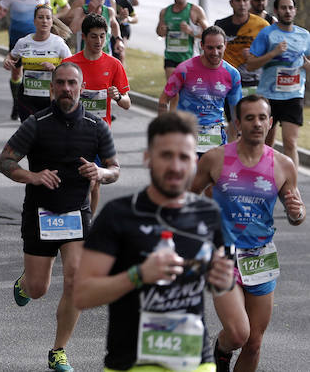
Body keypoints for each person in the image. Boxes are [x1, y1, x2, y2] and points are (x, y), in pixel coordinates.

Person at [74, 111, 236, 372]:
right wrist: (139, 275)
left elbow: (222, 289)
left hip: (196, 362)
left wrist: (222, 281)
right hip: (131, 364)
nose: (175, 166)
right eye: (166, 155)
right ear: (147, 158)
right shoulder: (119, 215)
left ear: (195, 162)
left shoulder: (209, 214)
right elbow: (82, 295)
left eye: (184, 157)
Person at [0, 62, 119, 372]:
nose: (66, 89)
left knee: (76, 280)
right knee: (39, 289)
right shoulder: (36, 124)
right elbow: (5, 161)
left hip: (76, 214)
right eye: (60, 83)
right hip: (40, 213)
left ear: (81, 88)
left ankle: (58, 350)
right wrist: (33, 176)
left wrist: (101, 172)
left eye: (72, 84)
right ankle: (25, 284)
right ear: (52, 88)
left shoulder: (96, 126)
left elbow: (114, 169)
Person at [191, 95, 305, 372]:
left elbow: (296, 216)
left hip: (261, 257)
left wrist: (296, 211)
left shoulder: (283, 165)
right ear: (238, 123)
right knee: (238, 334)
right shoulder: (215, 158)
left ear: (271, 123)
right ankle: (220, 349)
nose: (257, 123)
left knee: (254, 343)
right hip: (223, 255)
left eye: (262, 118)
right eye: (250, 118)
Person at [245, 0, 310, 172]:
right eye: (283, 8)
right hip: (269, 96)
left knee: (291, 142)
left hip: (293, 95)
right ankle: (263, 176)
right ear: (276, 10)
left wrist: (307, 65)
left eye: (290, 8)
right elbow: (250, 65)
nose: (287, 11)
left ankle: (292, 186)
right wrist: (273, 54)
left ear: (295, 11)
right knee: (267, 142)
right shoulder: (267, 34)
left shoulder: (304, 36)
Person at [159, 26, 242, 156]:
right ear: (202, 45)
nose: (215, 52)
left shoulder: (232, 74)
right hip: (186, 134)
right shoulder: (184, 69)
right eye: (210, 48)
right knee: (188, 176)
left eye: (219, 47)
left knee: (214, 176)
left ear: (225, 45)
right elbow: (164, 99)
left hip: (215, 137)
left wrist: (238, 134)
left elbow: (236, 109)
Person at [0, 0, 51, 120]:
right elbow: (0, 8)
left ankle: (27, 107)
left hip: (38, 41)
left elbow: (47, 13)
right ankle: (16, 103)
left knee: (32, 74)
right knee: (16, 73)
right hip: (17, 41)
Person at [5, 4, 72, 121]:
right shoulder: (23, 42)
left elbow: (71, 69)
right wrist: (7, 61)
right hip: (27, 97)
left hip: (50, 97)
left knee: (47, 134)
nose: (44, 21)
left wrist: (54, 68)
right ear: (34, 21)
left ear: (52, 21)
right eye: (40, 17)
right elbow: (12, 56)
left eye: (48, 18)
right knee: (29, 131)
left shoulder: (58, 43)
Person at [157, 0, 210, 109]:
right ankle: (174, 120)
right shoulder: (165, 11)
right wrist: (162, 30)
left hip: (188, 59)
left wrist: (191, 31)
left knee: (187, 92)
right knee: (174, 92)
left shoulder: (195, 10)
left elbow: (208, 33)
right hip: (170, 57)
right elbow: (159, 32)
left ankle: (184, 119)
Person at [215, 0, 269, 105]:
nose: (242, 4)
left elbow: (270, 53)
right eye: (238, 0)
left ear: (249, 2)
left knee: (252, 115)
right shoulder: (221, 25)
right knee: (232, 119)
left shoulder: (262, 25)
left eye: (245, 0)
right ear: (231, 3)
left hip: (253, 80)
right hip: (228, 78)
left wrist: (254, 53)